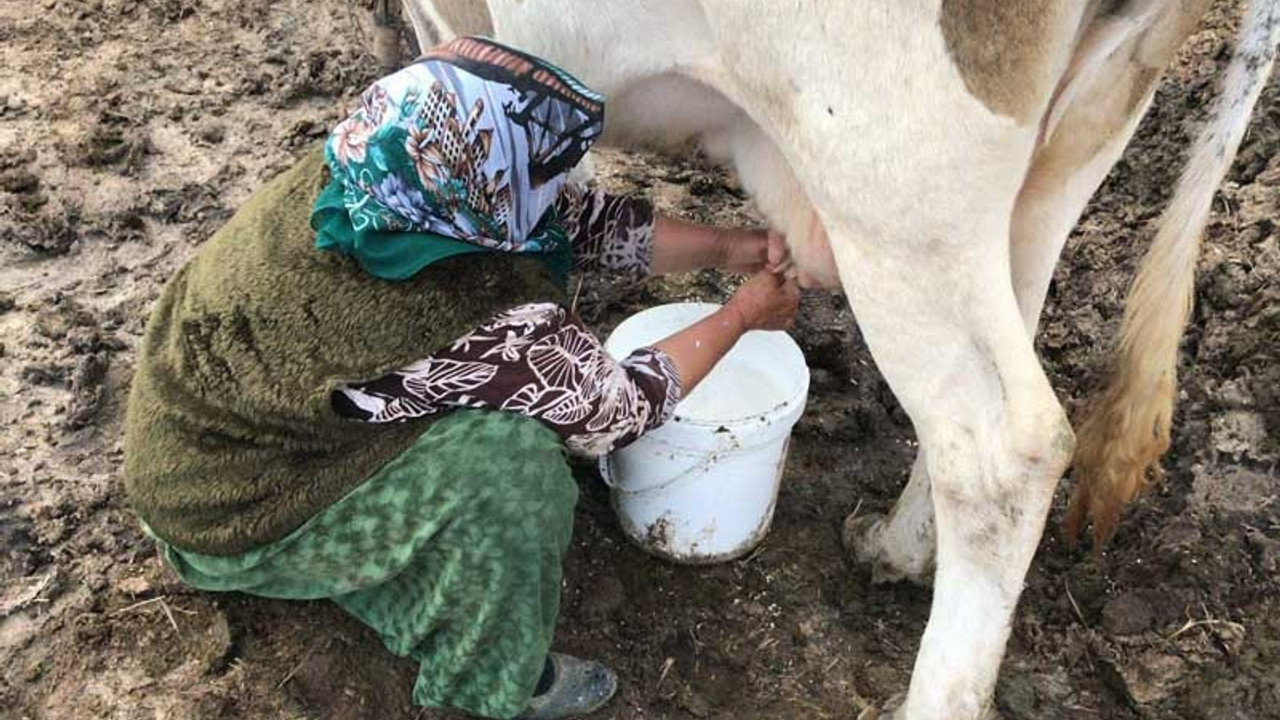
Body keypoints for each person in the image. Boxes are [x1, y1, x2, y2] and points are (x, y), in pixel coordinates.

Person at [123, 36, 800, 720]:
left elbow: (567, 223)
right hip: (228, 511)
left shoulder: (386, 169)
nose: (555, 186)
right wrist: (741, 314)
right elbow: (615, 412)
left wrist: (729, 247)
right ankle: (489, 683)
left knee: (492, 414)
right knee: (512, 466)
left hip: (214, 428)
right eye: (536, 173)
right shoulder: (468, 309)